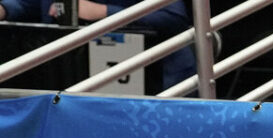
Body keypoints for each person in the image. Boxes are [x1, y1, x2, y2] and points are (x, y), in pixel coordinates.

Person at [0, 0, 195, 89]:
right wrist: (5, 9)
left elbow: (172, 17)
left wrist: (103, 11)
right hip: (67, 74)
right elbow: (28, 4)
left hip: (152, 77)